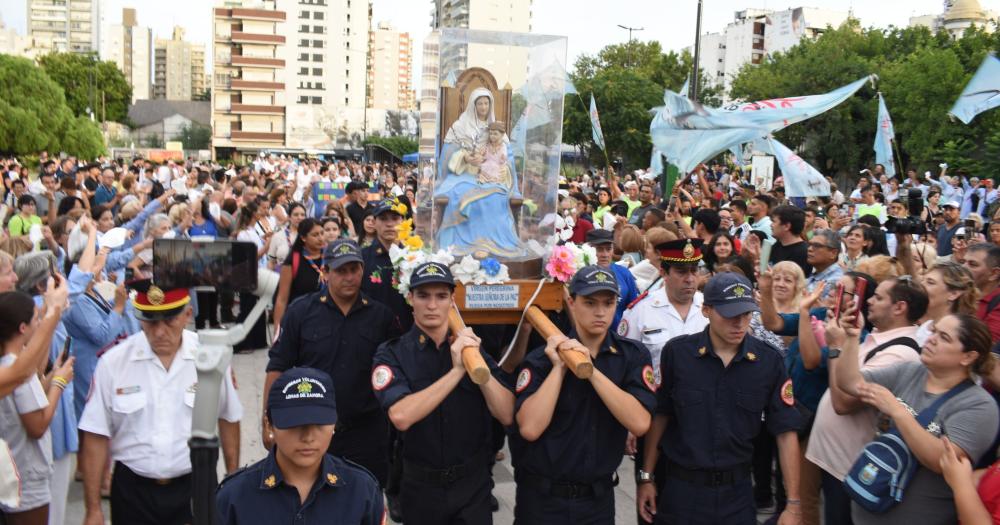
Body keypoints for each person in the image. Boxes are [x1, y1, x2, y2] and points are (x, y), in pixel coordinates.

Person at [637, 272, 803, 525]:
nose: (739, 323)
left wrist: (793, 503)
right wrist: (646, 477)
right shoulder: (678, 354)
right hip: (682, 492)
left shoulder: (769, 362)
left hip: (736, 494)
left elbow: (785, 431)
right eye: (729, 314)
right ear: (706, 310)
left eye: (746, 314)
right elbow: (661, 415)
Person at [78, 280, 242, 525]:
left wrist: (232, 483)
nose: (159, 332)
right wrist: (93, 509)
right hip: (133, 492)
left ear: (188, 314)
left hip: (195, 486)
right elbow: (95, 435)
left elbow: (228, 419)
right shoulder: (113, 364)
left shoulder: (211, 358)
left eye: (169, 320)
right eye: (151, 321)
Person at [371, 262, 514, 525]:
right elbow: (401, 415)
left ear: (452, 300)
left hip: (473, 487)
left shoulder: (471, 350)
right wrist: (457, 371)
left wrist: (477, 367)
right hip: (421, 488)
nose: (432, 305)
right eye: (423, 296)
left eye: (441, 296)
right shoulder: (391, 353)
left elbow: (506, 413)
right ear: (410, 298)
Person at [511, 264, 656, 524]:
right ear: (571, 302)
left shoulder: (631, 356)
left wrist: (591, 371)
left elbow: (640, 422)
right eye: (589, 302)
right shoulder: (541, 359)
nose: (600, 312)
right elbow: (530, 428)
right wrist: (560, 368)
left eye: (609, 302)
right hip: (543, 501)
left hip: (596, 502)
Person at [830, 309, 998, 524]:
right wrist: (852, 338)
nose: (931, 339)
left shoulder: (979, 405)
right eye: (934, 331)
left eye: (944, 337)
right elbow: (850, 384)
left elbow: (942, 460)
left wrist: (898, 411)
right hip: (866, 510)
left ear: (968, 356)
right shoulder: (911, 370)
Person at [266, 239, 400, 486]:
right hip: (311, 430)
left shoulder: (381, 317)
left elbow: (395, 373)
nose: (349, 277)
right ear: (325, 272)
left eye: (354, 269)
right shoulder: (300, 312)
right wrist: (268, 421)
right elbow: (277, 366)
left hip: (366, 433)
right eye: (341, 270)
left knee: (366, 500)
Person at [806, 275, 927, 524]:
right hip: (835, 463)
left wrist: (837, 347)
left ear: (899, 307)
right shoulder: (879, 337)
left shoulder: (901, 354)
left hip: (849, 470)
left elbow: (843, 403)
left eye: (879, 297)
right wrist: (851, 334)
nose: (869, 300)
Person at [216, 367, 385, 524]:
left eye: (319, 423)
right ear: (269, 424)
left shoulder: (362, 492)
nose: (308, 437)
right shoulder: (234, 498)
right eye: (294, 424)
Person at [617, 239, 708, 525]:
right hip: (654, 418)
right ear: (664, 272)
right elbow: (624, 369)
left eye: (695, 271)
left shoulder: (710, 310)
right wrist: (627, 423)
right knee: (654, 502)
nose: (690, 279)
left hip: (701, 421)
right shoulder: (640, 311)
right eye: (682, 272)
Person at [0, 290, 73, 525]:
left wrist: (52, 375)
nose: (38, 323)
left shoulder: (9, 365)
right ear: (23, 328)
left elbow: (29, 383)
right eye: (35, 319)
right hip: (27, 477)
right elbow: (37, 425)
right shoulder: (15, 368)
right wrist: (59, 384)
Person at [435, 97, 522, 257]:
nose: (483, 107)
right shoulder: (459, 127)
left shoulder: (500, 133)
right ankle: (459, 245)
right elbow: (446, 157)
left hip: (493, 177)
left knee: (495, 197)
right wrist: (466, 158)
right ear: (473, 105)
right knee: (460, 192)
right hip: (464, 174)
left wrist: (504, 170)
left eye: (486, 103)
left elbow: (508, 161)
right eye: (480, 103)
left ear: (491, 105)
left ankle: (489, 244)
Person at [361, 198, 413, 330]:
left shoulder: (413, 257)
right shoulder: (362, 258)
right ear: (374, 222)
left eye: (395, 218)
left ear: (403, 221)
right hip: (371, 331)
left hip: (407, 333)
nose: (389, 224)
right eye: (383, 218)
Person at [272, 218, 326, 333]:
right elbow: (282, 298)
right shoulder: (293, 261)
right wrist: (277, 330)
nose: (321, 238)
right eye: (315, 235)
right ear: (303, 238)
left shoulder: (330, 257)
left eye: (322, 233)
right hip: (300, 320)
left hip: (325, 319)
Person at [916, 261, 978, 345]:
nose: (921, 285)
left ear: (953, 294)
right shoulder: (927, 325)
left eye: (930, 282)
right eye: (922, 280)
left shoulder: (957, 334)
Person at [586, 228, 638, 328]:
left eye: (608, 249)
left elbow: (634, 309)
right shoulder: (580, 274)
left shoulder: (624, 273)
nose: (605, 254)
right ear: (588, 249)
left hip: (618, 337)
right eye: (599, 249)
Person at [964, 243, 1000, 340]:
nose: (963, 267)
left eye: (973, 264)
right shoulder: (958, 292)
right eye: (964, 262)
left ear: (994, 274)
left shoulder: (997, 304)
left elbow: (984, 344)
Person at [769, 204, 811, 277]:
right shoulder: (777, 245)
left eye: (774, 222)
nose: (771, 225)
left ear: (786, 226)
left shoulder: (803, 252)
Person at [804, 229, 845, 300]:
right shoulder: (816, 274)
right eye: (809, 244)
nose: (809, 249)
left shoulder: (836, 281)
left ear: (833, 253)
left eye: (817, 245)